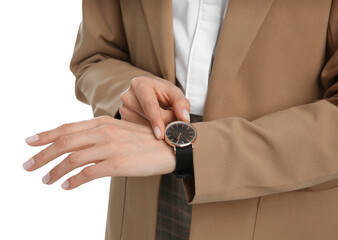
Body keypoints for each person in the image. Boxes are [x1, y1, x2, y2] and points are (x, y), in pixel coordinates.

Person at [23, 0, 338, 239]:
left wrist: (189, 150)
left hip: (282, 205)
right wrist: (128, 90)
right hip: (141, 194)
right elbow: (95, 57)